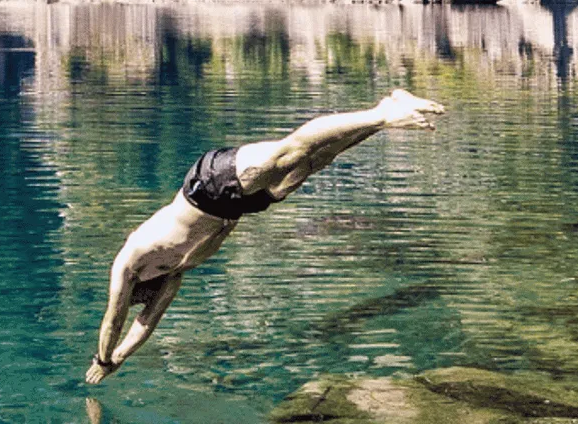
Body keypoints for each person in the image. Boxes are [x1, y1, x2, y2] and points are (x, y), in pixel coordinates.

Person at [85, 89, 448, 384]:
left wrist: (102, 358)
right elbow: (146, 324)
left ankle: (383, 114)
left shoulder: (128, 262)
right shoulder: (172, 277)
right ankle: (385, 111)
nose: (140, 303)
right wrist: (117, 359)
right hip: (238, 207)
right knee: (316, 161)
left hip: (209, 185)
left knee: (293, 150)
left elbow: (114, 320)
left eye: (137, 299)